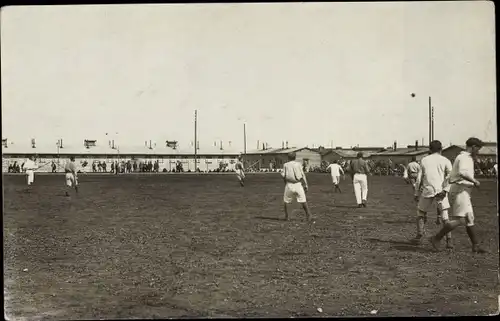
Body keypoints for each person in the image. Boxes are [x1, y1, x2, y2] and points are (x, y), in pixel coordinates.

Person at [430, 137, 488, 253]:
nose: (478, 151)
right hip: (460, 190)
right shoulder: (464, 157)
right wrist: (474, 181)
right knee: (462, 220)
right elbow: (462, 172)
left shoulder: (466, 157)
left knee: (470, 218)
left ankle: (475, 245)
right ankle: (436, 238)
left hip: (464, 191)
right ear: (473, 147)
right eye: (478, 149)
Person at [412, 140, 453, 248]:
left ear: (430, 149)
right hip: (441, 190)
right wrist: (446, 189)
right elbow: (451, 176)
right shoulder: (445, 160)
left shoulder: (424, 160)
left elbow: (419, 178)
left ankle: (419, 234)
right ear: (441, 149)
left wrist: (416, 192)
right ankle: (449, 240)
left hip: (428, 189)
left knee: (420, 212)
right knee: (445, 216)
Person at [281, 152, 313, 222]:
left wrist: (285, 183)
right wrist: (306, 185)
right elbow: (303, 175)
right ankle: (308, 215)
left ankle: (287, 216)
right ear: (295, 157)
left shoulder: (285, 165)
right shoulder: (298, 164)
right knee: (303, 200)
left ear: (288, 157)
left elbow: (283, 175)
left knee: (286, 201)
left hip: (289, 184)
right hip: (298, 184)